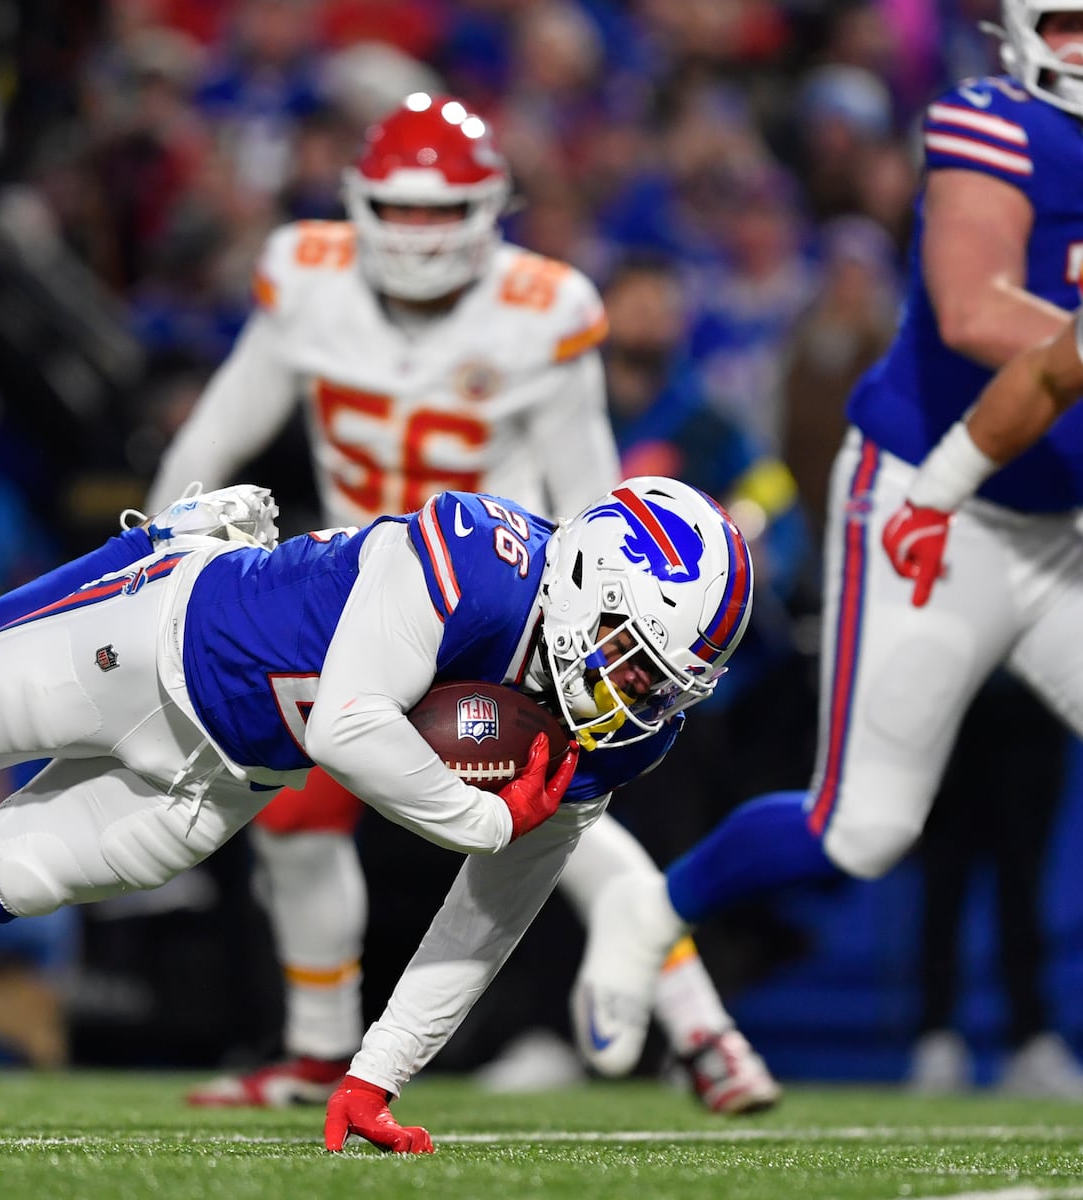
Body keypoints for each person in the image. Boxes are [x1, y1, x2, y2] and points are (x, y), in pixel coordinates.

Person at [0, 476, 755, 1080]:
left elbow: (485, 918)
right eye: (627, 655)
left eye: (658, 684)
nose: (630, 695)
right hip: (157, 641)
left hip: (219, 785)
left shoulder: (622, 732)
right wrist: (478, 812)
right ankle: (167, 535)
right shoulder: (484, 561)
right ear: (588, 584)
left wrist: (377, 1075)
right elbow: (352, 725)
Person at [147, 92, 776, 1112]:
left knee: (554, 816)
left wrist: (599, 631)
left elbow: (593, 501)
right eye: (402, 209)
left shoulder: (544, 312)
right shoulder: (308, 282)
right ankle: (317, 1051)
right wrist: (169, 540)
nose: (422, 235)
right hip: (359, 596)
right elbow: (209, 443)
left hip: (503, 616)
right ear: (360, 203)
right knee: (292, 808)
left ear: (491, 210)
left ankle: (704, 1029)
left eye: (446, 213)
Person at [571, 1, 1083, 1085]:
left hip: (1061, 519)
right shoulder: (991, 121)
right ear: (1024, 32)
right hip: (934, 510)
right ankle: (649, 909)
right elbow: (974, 309)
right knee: (863, 829)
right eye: (1075, 21)